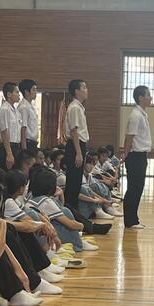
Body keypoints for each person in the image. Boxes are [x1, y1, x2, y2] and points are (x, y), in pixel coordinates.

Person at [121, 85, 152, 230]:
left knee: (139, 187)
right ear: (140, 98)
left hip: (141, 155)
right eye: (148, 95)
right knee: (133, 188)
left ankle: (134, 218)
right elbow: (129, 136)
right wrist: (126, 154)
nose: (150, 98)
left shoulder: (142, 114)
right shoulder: (136, 115)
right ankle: (130, 220)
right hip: (135, 156)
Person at [63, 80, 89, 210]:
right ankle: (70, 210)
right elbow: (74, 131)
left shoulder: (79, 107)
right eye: (84, 87)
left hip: (79, 145)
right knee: (73, 181)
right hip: (75, 146)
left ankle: (74, 210)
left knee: (77, 181)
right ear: (77, 91)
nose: (87, 90)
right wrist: (78, 153)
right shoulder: (74, 107)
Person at [0, 82, 22, 171]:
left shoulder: (16, 111)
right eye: (17, 92)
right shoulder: (4, 109)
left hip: (16, 146)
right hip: (7, 147)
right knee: (7, 174)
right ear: (9, 94)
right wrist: (9, 154)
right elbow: (4, 132)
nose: (19, 95)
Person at [18, 79, 39, 153]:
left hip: (33, 142)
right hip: (27, 143)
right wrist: (24, 149)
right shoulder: (24, 107)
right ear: (26, 92)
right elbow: (23, 128)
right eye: (34, 90)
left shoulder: (31, 106)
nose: (36, 92)